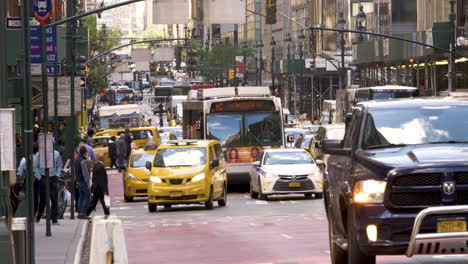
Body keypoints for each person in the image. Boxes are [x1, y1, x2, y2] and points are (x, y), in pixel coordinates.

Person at [34, 149, 63, 224]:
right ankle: (39, 214)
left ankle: (54, 218)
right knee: (43, 199)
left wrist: (57, 175)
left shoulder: (56, 154)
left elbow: (59, 165)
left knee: (54, 199)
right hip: (43, 177)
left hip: (53, 178)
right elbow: (35, 167)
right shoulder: (39, 154)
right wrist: (39, 178)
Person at [75, 147, 91, 219]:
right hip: (83, 182)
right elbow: (85, 173)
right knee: (87, 197)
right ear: (84, 152)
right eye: (86, 152)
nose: (87, 153)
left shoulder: (76, 160)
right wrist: (88, 183)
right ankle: (83, 213)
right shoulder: (83, 161)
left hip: (78, 181)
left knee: (81, 197)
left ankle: (79, 212)